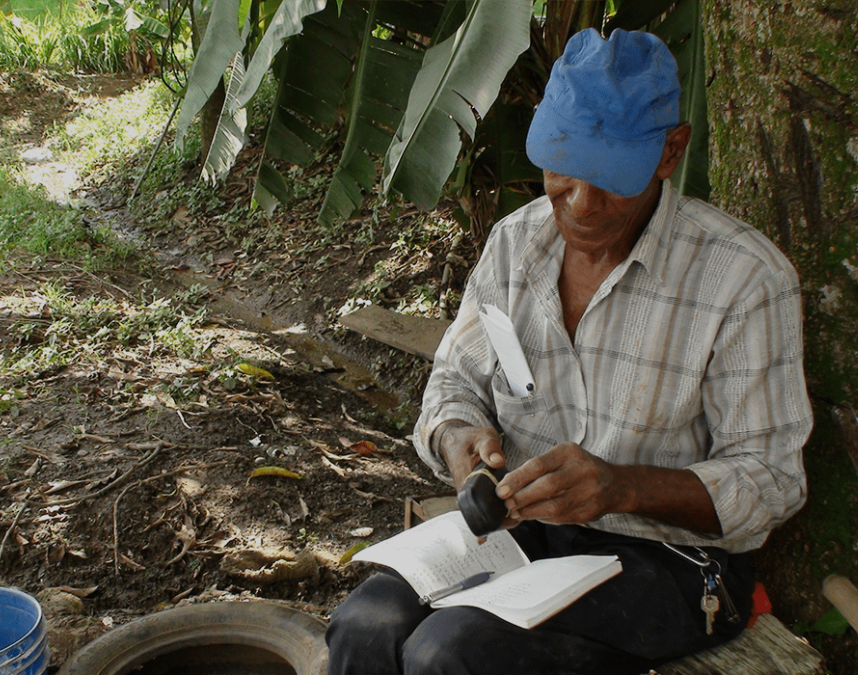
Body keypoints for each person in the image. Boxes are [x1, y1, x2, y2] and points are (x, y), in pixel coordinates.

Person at [325, 27, 813, 675]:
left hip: (669, 560)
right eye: (562, 168)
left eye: (611, 177)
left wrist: (622, 487)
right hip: (520, 533)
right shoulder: (514, 244)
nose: (581, 204)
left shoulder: (745, 278)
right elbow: (454, 382)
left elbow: (772, 479)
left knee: (450, 655)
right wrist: (460, 439)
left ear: (670, 151)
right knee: (365, 626)